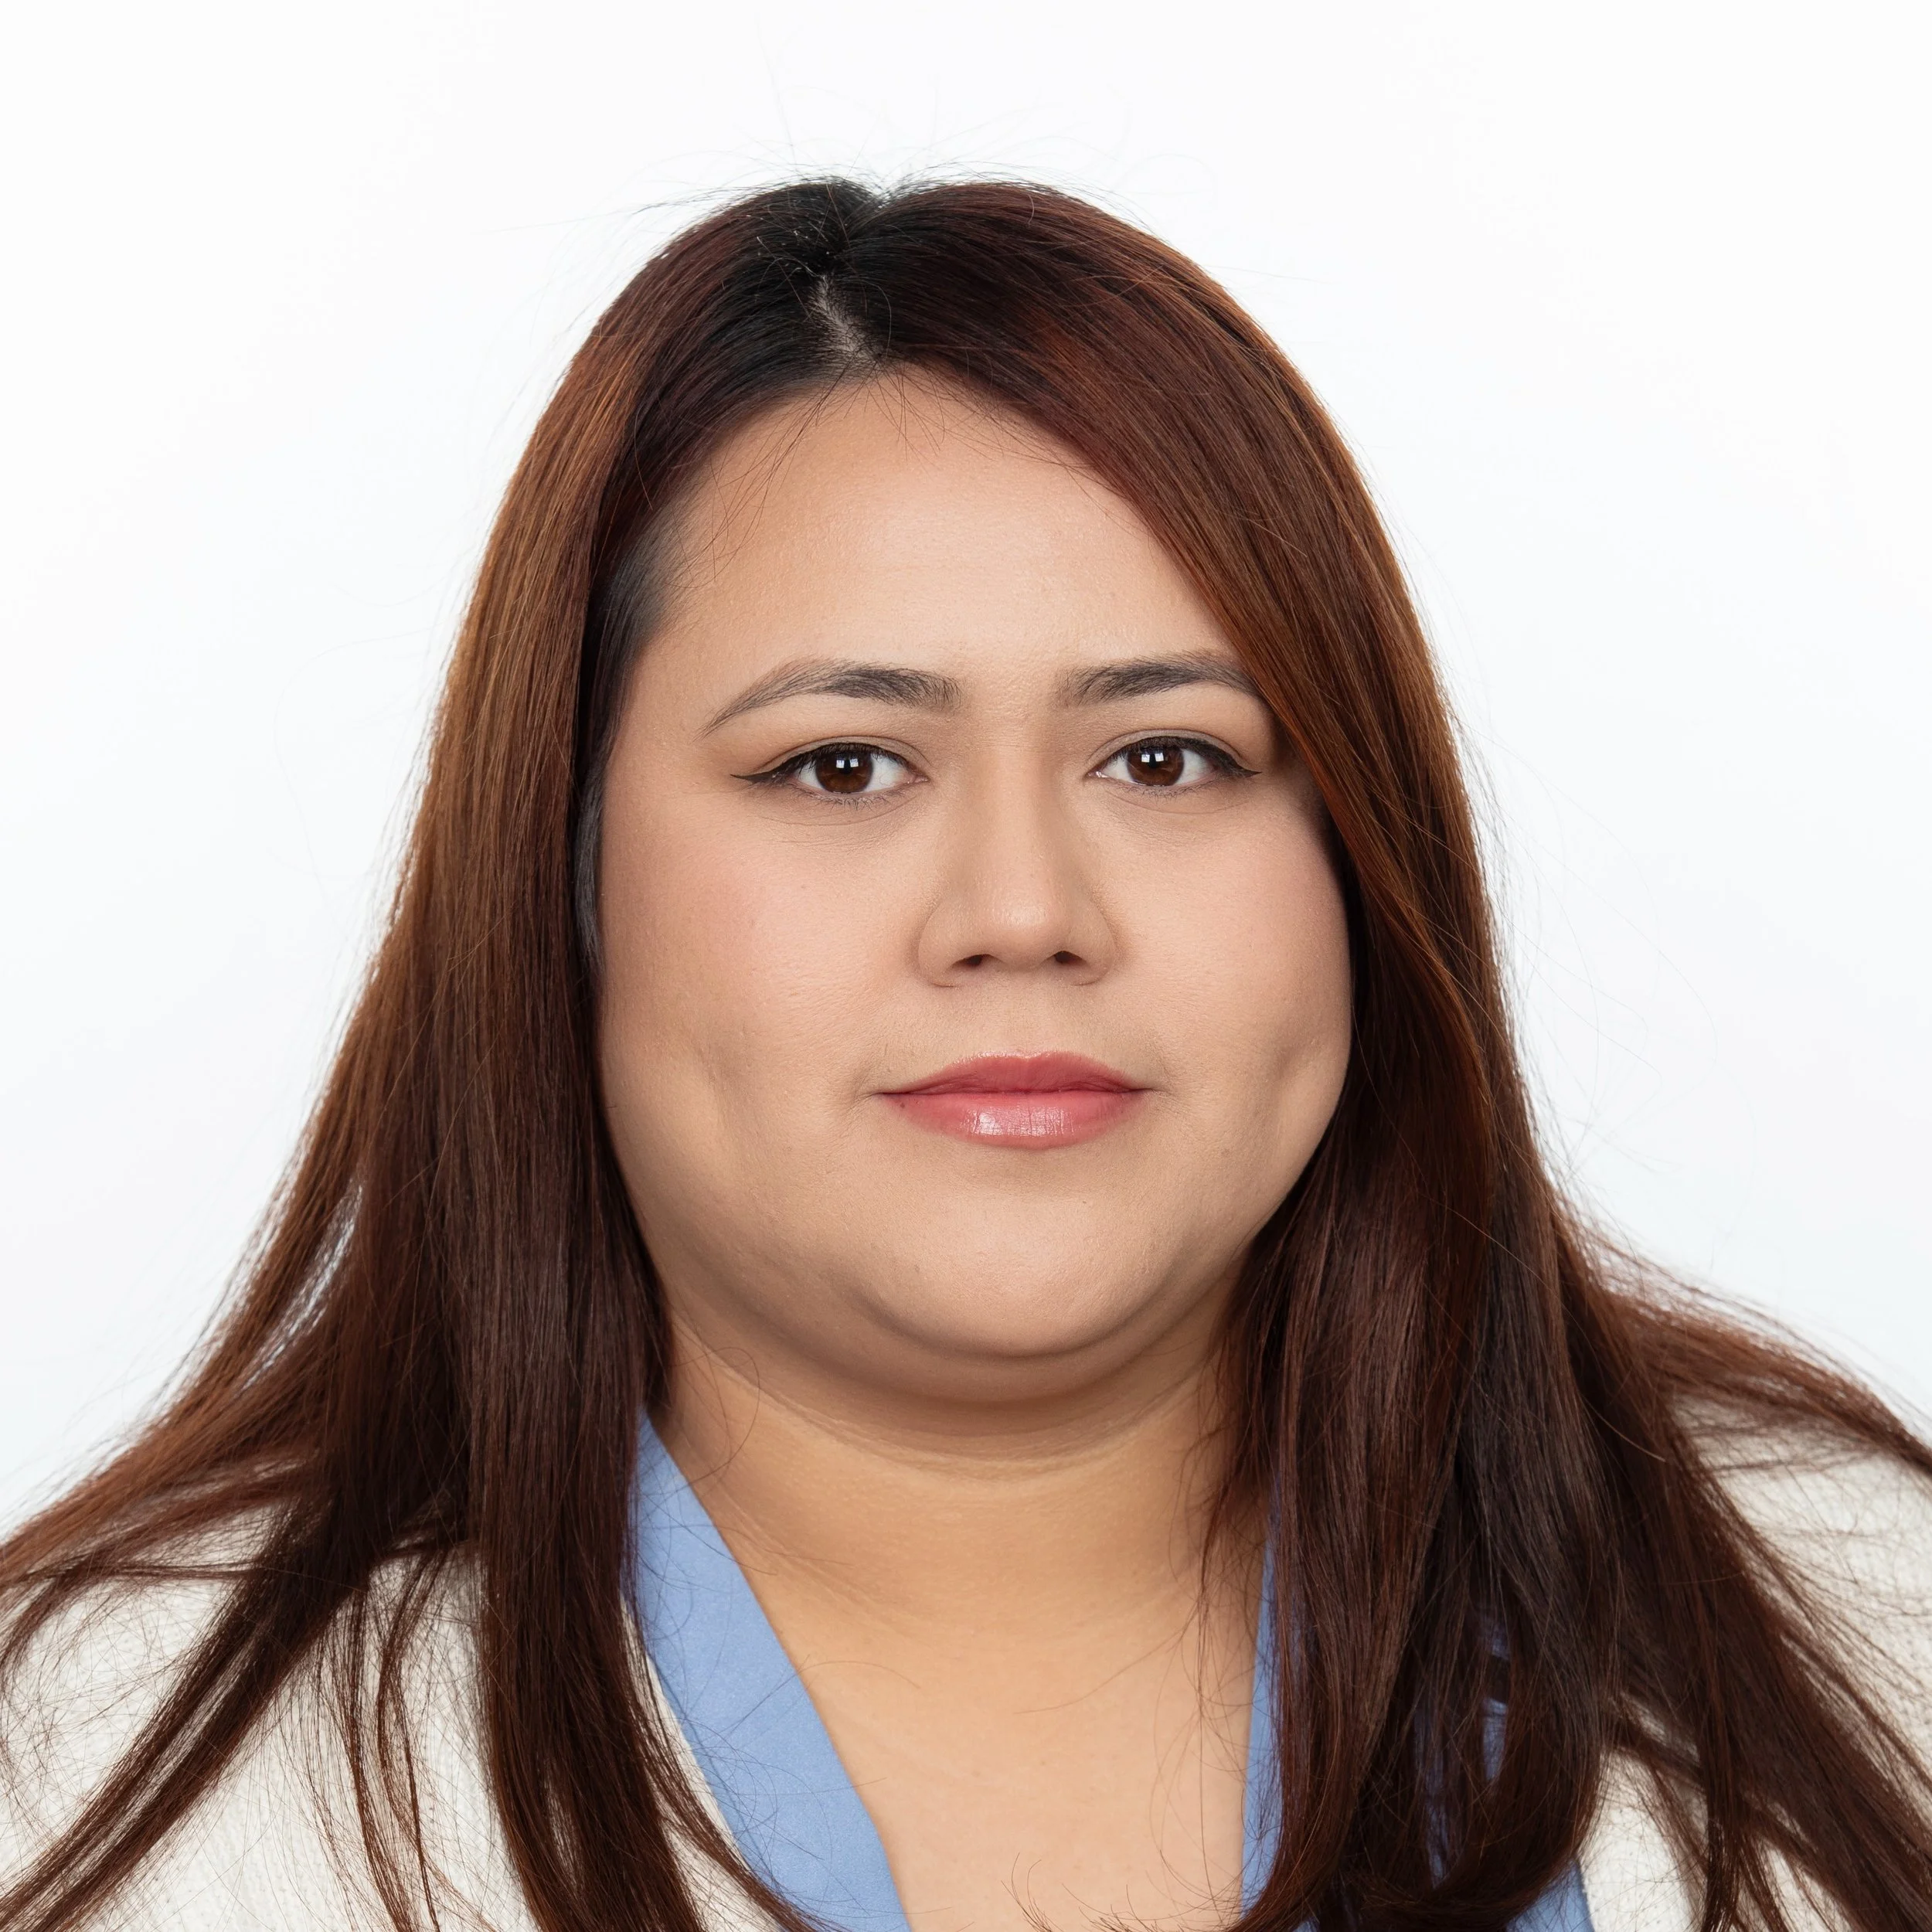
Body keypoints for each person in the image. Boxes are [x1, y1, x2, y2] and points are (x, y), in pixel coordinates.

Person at [2, 179, 1928, 1932]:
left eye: (1164, 755)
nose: (1021, 906)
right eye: (840, 764)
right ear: (564, 876)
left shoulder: (1869, 1618)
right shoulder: (84, 1783)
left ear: (1362, 858)